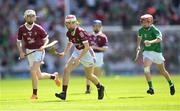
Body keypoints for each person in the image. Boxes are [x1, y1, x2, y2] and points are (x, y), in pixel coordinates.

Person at [55, 15, 104, 100]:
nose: (70, 25)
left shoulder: (80, 32)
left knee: (89, 76)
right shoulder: (68, 33)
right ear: (66, 24)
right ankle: (64, 93)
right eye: (68, 23)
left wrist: (78, 59)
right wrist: (64, 53)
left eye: (72, 23)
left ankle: (100, 87)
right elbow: (70, 43)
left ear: (75, 23)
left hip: (87, 53)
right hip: (77, 51)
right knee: (66, 69)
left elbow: (87, 47)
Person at [16, 9, 61, 99]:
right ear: (25, 17)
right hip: (29, 51)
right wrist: (21, 51)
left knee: (33, 71)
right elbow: (18, 41)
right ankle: (54, 76)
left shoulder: (38, 28)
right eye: (29, 16)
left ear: (35, 17)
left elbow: (46, 39)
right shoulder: (21, 29)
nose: (31, 18)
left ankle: (34, 94)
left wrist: (43, 46)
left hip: (39, 51)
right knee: (39, 76)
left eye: (32, 16)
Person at [135, 14, 175, 95]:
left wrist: (150, 42)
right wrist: (138, 46)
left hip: (157, 52)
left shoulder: (154, 29)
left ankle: (171, 84)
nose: (143, 23)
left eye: (144, 22)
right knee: (146, 68)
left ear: (150, 22)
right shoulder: (141, 30)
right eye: (142, 22)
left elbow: (159, 39)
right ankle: (151, 88)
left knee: (163, 71)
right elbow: (139, 37)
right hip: (147, 52)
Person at [85, 20, 108, 94]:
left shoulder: (103, 37)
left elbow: (105, 48)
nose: (96, 27)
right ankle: (88, 88)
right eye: (95, 26)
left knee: (97, 72)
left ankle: (97, 86)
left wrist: (95, 47)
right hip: (90, 54)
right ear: (93, 27)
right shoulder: (89, 36)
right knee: (89, 72)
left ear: (101, 27)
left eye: (98, 26)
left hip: (99, 55)